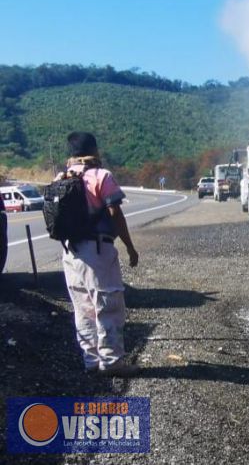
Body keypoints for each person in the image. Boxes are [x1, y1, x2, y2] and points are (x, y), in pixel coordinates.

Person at [59, 132, 140, 377]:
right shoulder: (100, 176)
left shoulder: (61, 178)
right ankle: (112, 361)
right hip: (97, 250)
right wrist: (129, 246)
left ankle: (91, 360)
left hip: (69, 253)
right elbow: (116, 213)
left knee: (83, 308)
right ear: (94, 150)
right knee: (108, 304)